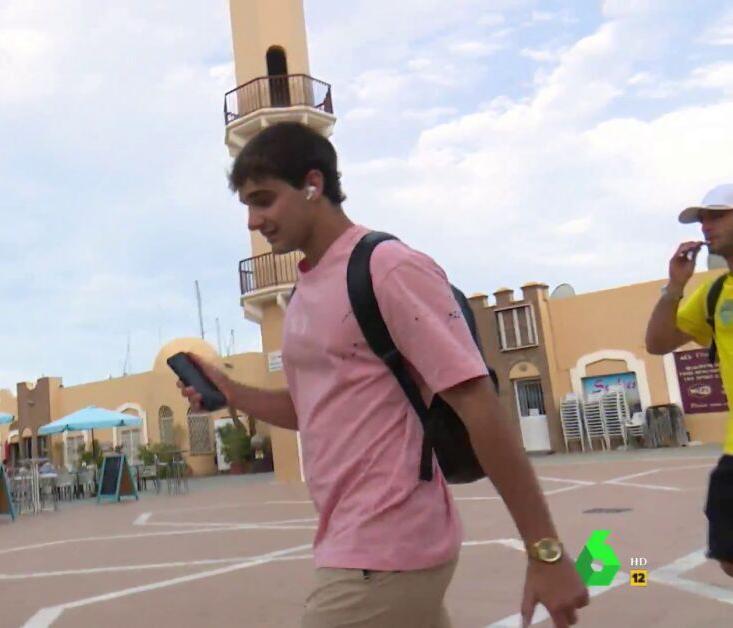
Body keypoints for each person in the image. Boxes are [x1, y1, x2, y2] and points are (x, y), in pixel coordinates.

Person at [177, 122, 589, 627]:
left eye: (264, 200)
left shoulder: (387, 268)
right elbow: (312, 408)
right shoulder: (304, 293)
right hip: (352, 540)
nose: (254, 220)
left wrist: (545, 552)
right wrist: (229, 391)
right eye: (246, 205)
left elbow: (478, 404)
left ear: (313, 184)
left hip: (387, 546)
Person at [643, 183, 733, 579]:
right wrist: (675, 287)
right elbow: (657, 343)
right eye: (703, 219)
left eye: (717, 215)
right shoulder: (715, 293)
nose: (706, 226)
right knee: (729, 557)